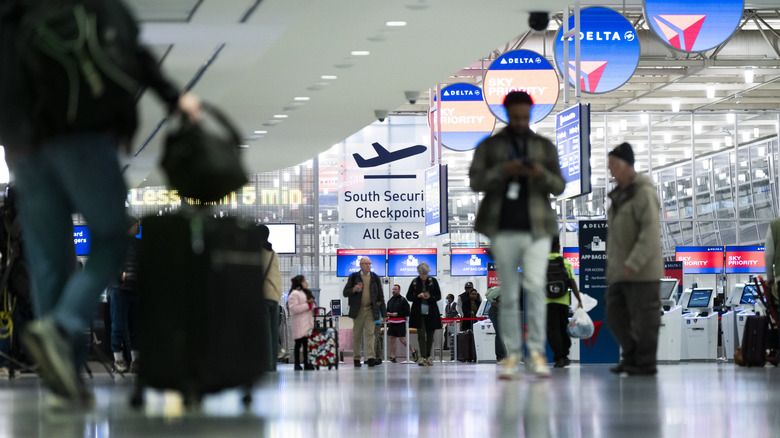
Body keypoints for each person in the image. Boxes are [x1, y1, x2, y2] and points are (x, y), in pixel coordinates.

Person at [0, 0, 202, 406]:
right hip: (83, 137)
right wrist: (174, 97)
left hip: (22, 148)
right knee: (111, 236)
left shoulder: (12, 12)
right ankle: (63, 324)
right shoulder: (97, 7)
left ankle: (65, 383)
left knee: (48, 263)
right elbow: (132, 54)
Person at [469, 90, 565, 379]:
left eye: (525, 116)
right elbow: (475, 181)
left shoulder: (544, 147)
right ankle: (512, 356)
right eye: (516, 116)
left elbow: (559, 185)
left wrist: (540, 174)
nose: (521, 121)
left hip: (538, 228)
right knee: (509, 294)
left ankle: (536, 354)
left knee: (536, 288)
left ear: (531, 114)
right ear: (506, 114)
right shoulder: (490, 146)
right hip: (502, 227)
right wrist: (503, 170)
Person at [605, 142, 663, 376]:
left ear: (627, 166)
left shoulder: (644, 193)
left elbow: (649, 233)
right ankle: (631, 356)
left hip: (643, 271)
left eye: (614, 166)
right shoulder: (618, 196)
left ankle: (645, 362)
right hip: (620, 270)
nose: (610, 171)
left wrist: (634, 262)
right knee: (614, 314)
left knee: (645, 319)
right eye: (609, 166)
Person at [109, 217, 141, 374]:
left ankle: (135, 361)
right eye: (136, 224)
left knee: (134, 327)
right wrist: (119, 276)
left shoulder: (138, 244)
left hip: (135, 290)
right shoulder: (119, 244)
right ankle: (118, 360)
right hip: (120, 290)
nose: (138, 227)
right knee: (118, 326)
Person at [342, 257, 387, 367]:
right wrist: (354, 289)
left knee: (371, 334)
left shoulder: (375, 278)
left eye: (369, 264)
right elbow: (345, 292)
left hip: (371, 309)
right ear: (361, 265)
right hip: (358, 310)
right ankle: (357, 358)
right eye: (366, 264)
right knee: (357, 335)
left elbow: (380, 297)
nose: (368, 266)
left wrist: (384, 313)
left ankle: (371, 357)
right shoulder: (353, 277)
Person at [546, 237, 583, 369]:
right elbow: (572, 282)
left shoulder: (542, 263)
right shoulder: (565, 262)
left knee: (552, 331)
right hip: (562, 301)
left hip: (547, 301)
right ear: (558, 247)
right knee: (563, 328)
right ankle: (564, 355)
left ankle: (559, 357)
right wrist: (579, 299)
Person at [406, 262, 442, 366]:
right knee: (421, 335)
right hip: (418, 313)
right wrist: (418, 296)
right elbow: (409, 296)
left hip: (431, 313)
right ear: (419, 272)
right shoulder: (415, 282)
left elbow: (438, 296)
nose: (424, 276)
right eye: (422, 274)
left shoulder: (433, 281)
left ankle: (428, 356)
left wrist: (429, 297)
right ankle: (422, 357)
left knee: (430, 335)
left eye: (425, 274)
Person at [257, 224, 282, 372]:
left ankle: (266, 365)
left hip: (264, 297)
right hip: (275, 296)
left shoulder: (258, 253)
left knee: (265, 333)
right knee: (273, 333)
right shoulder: (273, 253)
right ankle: (272, 365)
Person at [287, 275, 315, 371]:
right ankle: (297, 364)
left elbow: (310, 306)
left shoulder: (306, 293)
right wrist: (307, 305)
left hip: (307, 322)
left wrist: (312, 307)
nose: (306, 283)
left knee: (307, 344)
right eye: (304, 281)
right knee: (298, 344)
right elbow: (293, 308)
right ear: (300, 283)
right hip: (299, 323)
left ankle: (307, 363)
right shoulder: (294, 294)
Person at [385, 284, 417, 363]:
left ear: (399, 290)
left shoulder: (403, 300)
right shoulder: (390, 301)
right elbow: (387, 310)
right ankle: (393, 356)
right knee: (392, 339)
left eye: (395, 289)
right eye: (393, 289)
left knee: (402, 339)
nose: (393, 291)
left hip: (400, 323)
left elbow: (407, 312)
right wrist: (388, 314)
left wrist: (398, 314)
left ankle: (413, 351)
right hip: (392, 323)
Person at [485, 286, 507, 363]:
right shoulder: (501, 290)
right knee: (499, 334)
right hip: (495, 312)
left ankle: (503, 356)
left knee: (500, 334)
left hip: (496, 311)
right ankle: (501, 357)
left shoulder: (499, 290)